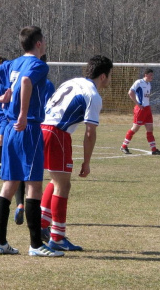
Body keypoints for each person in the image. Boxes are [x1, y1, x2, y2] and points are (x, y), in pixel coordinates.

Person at [0, 26, 61, 257]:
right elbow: (25, 83)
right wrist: (23, 114)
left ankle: (0, 242)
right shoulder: (39, 65)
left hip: (10, 129)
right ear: (39, 43)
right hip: (28, 128)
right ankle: (36, 245)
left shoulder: (12, 63)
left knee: (9, 185)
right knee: (34, 185)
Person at [39, 56, 113, 251]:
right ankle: (57, 237)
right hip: (57, 134)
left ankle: (41, 224)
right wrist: (86, 163)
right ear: (103, 76)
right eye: (110, 76)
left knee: (55, 181)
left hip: (42, 129)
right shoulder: (93, 95)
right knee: (63, 186)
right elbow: (90, 134)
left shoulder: (71, 81)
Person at [12, 57, 56, 226]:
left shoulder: (20, 80)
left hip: (17, 126)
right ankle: (35, 220)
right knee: (34, 177)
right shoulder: (48, 85)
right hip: (38, 128)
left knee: (18, 172)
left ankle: (20, 204)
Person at [120, 68, 160, 155]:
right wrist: (138, 104)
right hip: (140, 109)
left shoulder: (149, 84)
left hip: (147, 109)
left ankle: (154, 149)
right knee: (135, 128)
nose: (152, 77)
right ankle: (124, 146)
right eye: (150, 75)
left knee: (150, 129)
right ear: (146, 75)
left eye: (152, 75)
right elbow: (130, 93)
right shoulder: (139, 82)